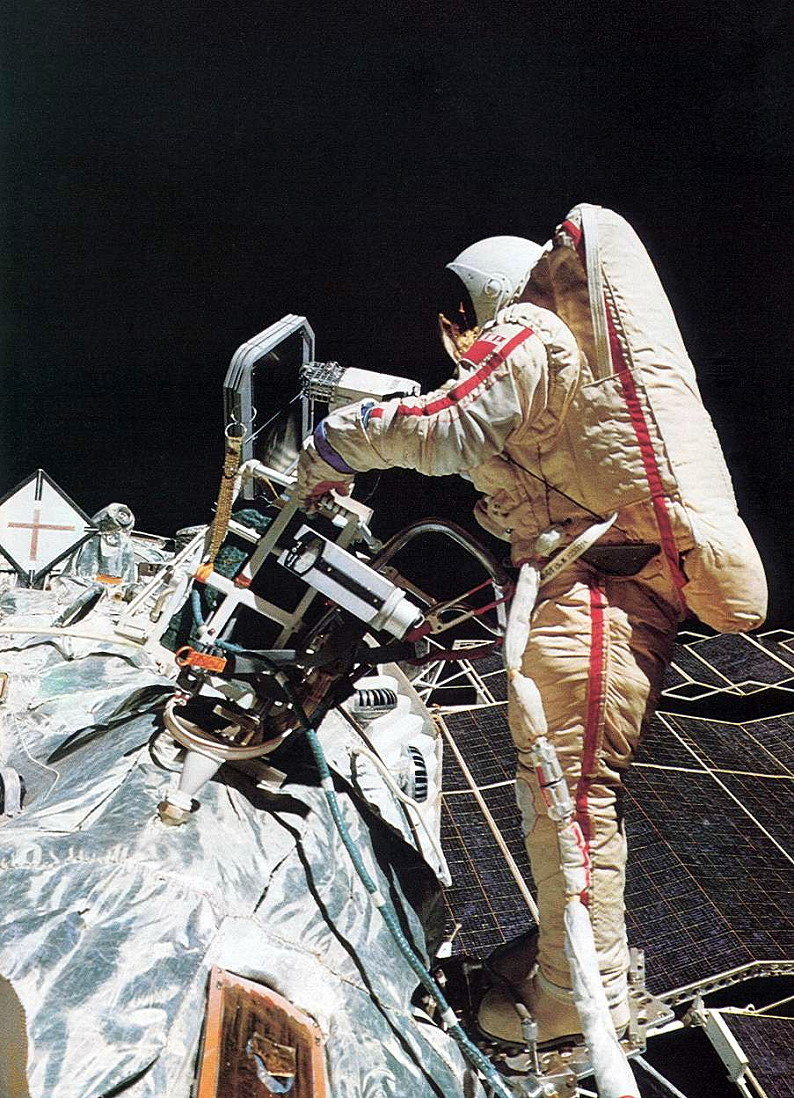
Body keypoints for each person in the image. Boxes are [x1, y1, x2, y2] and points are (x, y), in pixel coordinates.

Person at [295, 206, 767, 1047]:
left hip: (597, 594)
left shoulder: (527, 331)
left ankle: (580, 994)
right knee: (562, 788)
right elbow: (490, 447)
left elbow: (443, 430)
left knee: (567, 792)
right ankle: (569, 966)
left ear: (478, 301)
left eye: (458, 314)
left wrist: (333, 444)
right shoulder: (555, 365)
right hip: (595, 586)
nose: (456, 333)